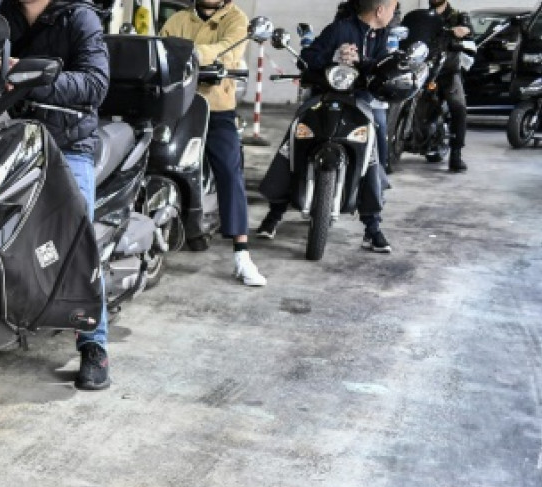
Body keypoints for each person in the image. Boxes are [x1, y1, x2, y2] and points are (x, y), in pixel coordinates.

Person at [0, 0, 112, 391]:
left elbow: (95, 83)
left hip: (67, 143)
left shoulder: (80, 17)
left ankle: (95, 344)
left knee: (77, 236)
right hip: (10, 135)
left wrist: (28, 76)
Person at [256, 0, 398, 254]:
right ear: (379, 10)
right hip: (325, 95)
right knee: (296, 136)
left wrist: (361, 61)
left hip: (360, 100)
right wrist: (334, 57)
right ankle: (274, 214)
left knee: (375, 147)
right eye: (392, 7)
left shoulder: (386, 37)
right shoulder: (339, 29)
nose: (393, 13)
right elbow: (308, 58)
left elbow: (386, 67)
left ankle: (372, 227)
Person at [161, 0, 268, 287]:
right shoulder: (178, 19)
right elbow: (160, 51)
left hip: (216, 108)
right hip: (177, 106)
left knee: (230, 171)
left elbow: (229, 51)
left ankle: (242, 254)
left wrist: (186, 53)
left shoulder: (236, 19)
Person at [406, 0, 473, 172]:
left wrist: (463, 31)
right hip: (423, 67)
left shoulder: (458, 16)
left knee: (458, 106)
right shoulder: (423, 17)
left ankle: (456, 153)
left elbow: (468, 32)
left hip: (447, 70)